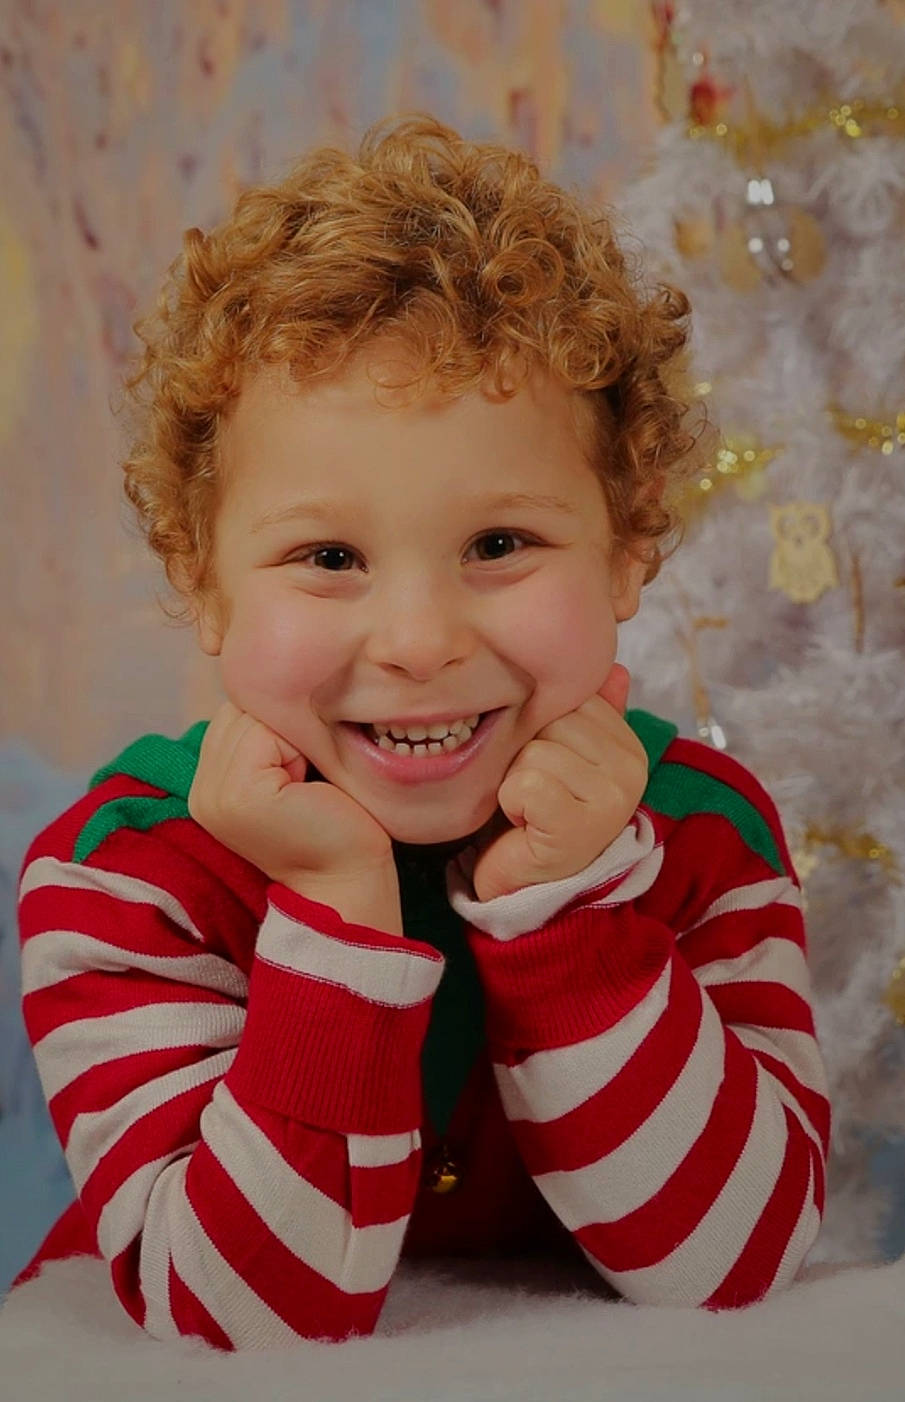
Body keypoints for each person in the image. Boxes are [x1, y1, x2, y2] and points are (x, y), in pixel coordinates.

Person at [15, 114, 830, 1350]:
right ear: (202, 576)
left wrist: (573, 909)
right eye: (328, 556)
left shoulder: (699, 835)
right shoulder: (126, 874)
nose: (416, 638)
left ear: (625, 546)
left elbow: (733, 1271)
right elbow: (235, 1328)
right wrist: (335, 908)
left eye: (498, 545)